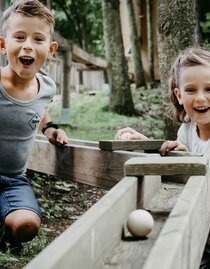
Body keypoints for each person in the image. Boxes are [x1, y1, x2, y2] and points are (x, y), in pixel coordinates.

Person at [116, 47, 210, 268]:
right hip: (201, 225)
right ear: (178, 95)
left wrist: (189, 161)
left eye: (209, 88)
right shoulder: (187, 131)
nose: (200, 98)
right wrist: (146, 142)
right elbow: (177, 163)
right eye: (190, 90)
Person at [0, 0, 68, 254]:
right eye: (19, 37)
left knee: (28, 225)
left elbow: (37, 111)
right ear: (3, 45)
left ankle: (8, 232)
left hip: (14, 180)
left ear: (50, 49)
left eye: (37, 39)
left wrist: (50, 127)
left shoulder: (47, 87)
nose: (27, 45)